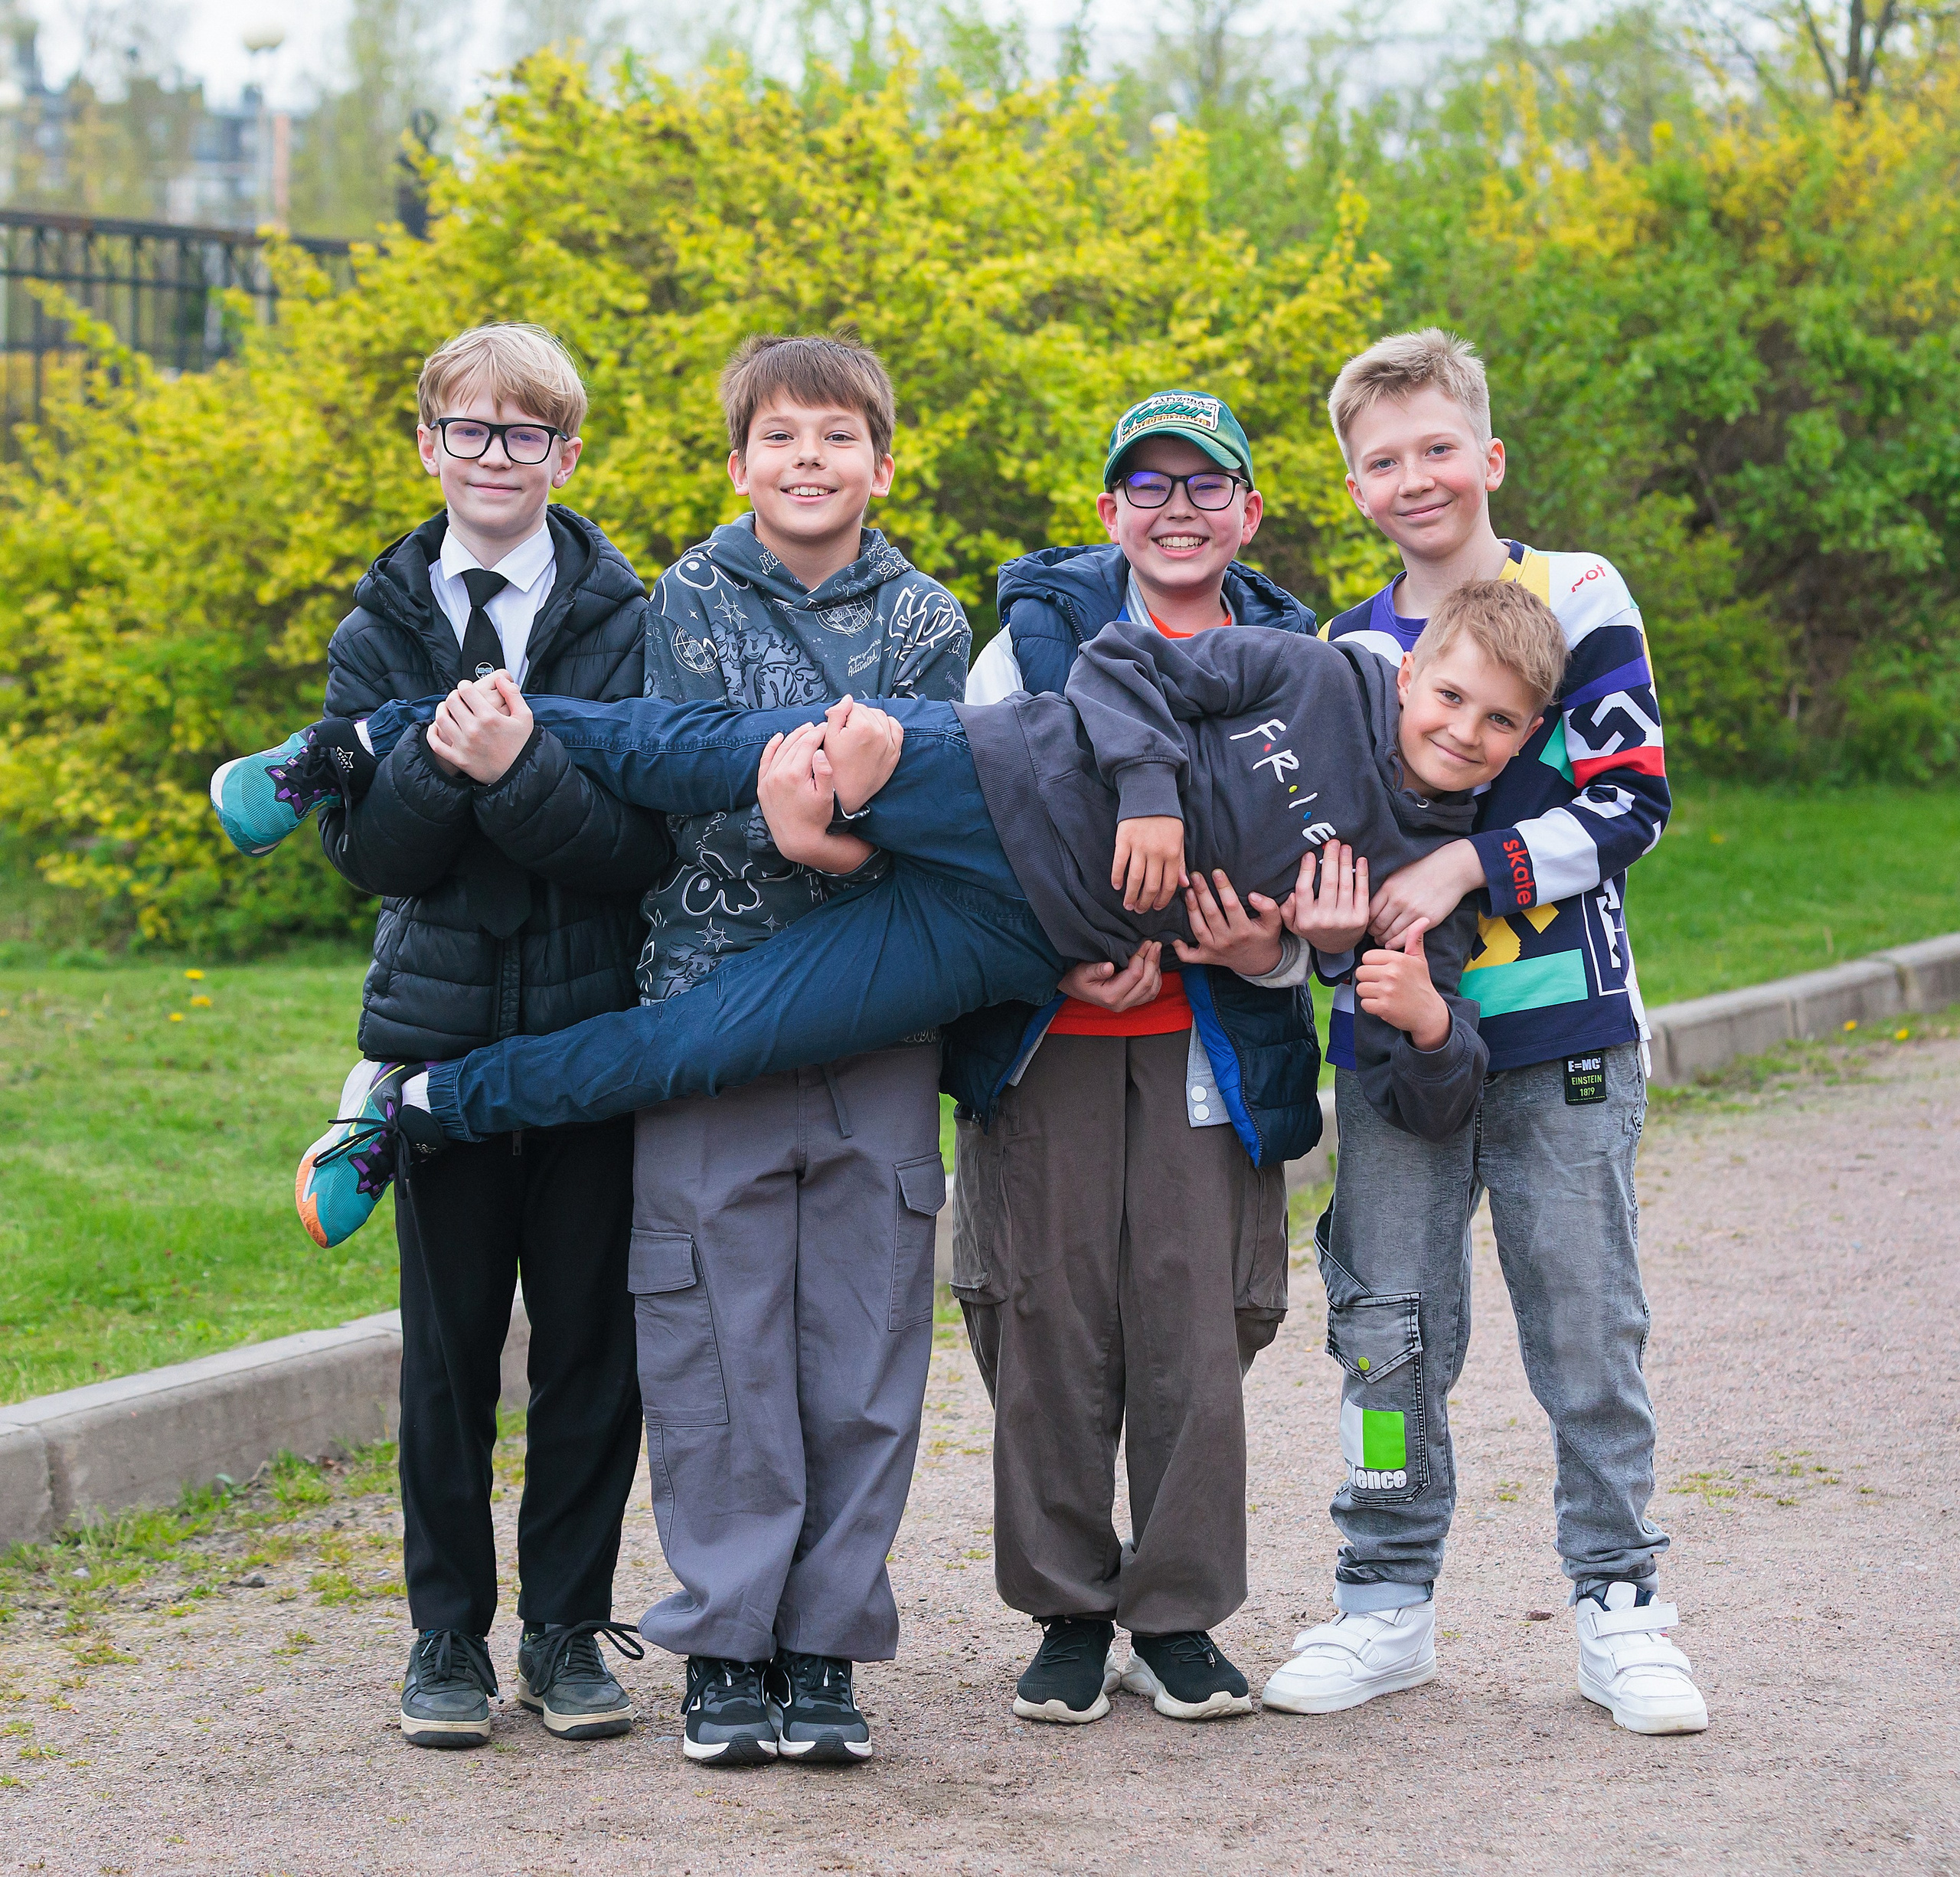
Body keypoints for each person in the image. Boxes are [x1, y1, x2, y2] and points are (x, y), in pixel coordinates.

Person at [210, 323, 665, 1750]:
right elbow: (378, 856)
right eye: (468, 432)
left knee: (593, 1348)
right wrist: (436, 761)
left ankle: (566, 1630)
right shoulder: (379, 625)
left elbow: (636, 847)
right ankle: (447, 1640)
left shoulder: (625, 618)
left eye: (525, 435)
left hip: (595, 1028)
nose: (494, 458)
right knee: (450, 1357)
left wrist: (515, 769)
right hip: (438, 1033)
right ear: (429, 446)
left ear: (565, 455)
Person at [1258, 328, 1707, 1736]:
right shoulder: (1342, 650)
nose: (1415, 478)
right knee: (1386, 1333)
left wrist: (1471, 867)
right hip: (1396, 1057)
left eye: (1438, 448)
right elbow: (1324, 847)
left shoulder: (1573, 593)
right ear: (1352, 486)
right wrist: (1322, 935)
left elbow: (1632, 803)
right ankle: (1385, 1598)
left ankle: (1620, 1601)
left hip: (1562, 1037)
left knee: (1586, 1327)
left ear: (1489, 456)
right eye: (1381, 461)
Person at [592, 334, 967, 1767]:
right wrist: (823, 796)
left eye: (838, 438)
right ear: (739, 460)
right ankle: (725, 1643)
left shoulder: (931, 620)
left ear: (884, 461)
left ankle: (825, 1645)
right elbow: (699, 769)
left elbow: (936, 799)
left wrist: (837, 801)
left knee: (861, 1345)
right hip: (716, 1007)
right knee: (713, 1337)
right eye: (781, 438)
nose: (809, 461)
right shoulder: (689, 593)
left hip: (880, 1014)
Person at [950, 391, 1321, 1725]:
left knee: (1192, 1322)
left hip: (1208, 1044)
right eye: (1148, 488)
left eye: (1204, 487)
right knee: (1044, 1317)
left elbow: (1330, 867)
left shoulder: (1302, 659)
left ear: (1248, 511)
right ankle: (1063, 1607)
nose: (1178, 510)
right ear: (1108, 511)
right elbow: (967, 833)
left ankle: (1175, 1614)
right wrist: (1042, 957)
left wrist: (1265, 948)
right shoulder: (1031, 648)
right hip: (1048, 1036)